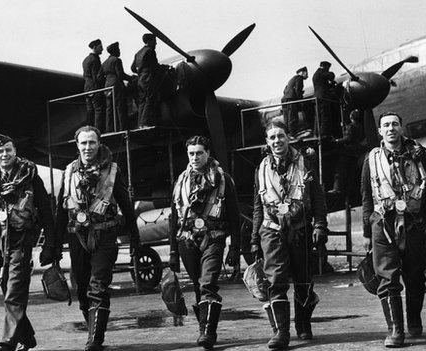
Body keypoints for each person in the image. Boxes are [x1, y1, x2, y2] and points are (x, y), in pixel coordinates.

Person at [55, 126, 140, 351]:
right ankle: (93, 329)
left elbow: (126, 205)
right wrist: (53, 245)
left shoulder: (112, 170)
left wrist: (135, 238)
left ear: (99, 144)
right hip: (77, 236)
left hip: (105, 234)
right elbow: (61, 210)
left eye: (92, 142)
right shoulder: (69, 171)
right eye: (83, 143)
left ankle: (95, 340)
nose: (87, 147)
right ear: (77, 146)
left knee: (98, 286)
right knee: (82, 288)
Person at [0, 133, 58, 351]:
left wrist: (50, 245)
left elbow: (47, 213)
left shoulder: (30, 178)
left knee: (14, 292)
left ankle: (8, 342)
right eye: (0, 151)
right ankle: (27, 338)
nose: (5, 154)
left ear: (15, 152)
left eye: (8, 150)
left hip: (20, 243)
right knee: (12, 292)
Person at [250, 121, 328, 349]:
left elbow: (317, 196)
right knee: (275, 281)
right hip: (272, 230)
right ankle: (281, 333)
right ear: (267, 142)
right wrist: (255, 238)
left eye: (280, 136)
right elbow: (257, 206)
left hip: (300, 228)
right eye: (272, 137)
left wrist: (320, 225)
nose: (277, 141)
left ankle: (303, 324)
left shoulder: (306, 163)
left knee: (303, 280)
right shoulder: (261, 168)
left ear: (288, 138)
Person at [361, 112, 426, 347]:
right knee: (387, 278)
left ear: (401, 128)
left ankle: (414, 323)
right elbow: (366, 198)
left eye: (395, 124)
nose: (390, 128)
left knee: (415, 277)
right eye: (386, 125)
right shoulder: (371, 159)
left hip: (413, 223)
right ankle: (395, 331)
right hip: (383, 223)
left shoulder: (418, 155)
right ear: (380, 131)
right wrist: (367, 232)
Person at [168, 135, 241, 349]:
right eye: (191, 153)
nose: (195, 157)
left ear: (208, 153)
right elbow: (174, 217)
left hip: (214, 238)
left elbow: (235, 216)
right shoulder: (181, 180)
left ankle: (209, 333)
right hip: (187, 240)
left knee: (207, 283)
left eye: (199, 153)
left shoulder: (222, 178)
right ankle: (203, 329)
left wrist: (235, 248)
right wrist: (173, 252)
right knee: (199, 286)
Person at [328, 109, 366, 195]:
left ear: (351, 117)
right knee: (351, 172)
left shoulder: (350, 127)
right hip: (356, 152)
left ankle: (337, 188)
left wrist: (336, 140)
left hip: (348, 152)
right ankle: (350, 190)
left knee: (339, 169)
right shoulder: (359, 126)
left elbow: (347, 139)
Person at [102, 42, 132, 132]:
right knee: (120, 107)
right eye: (118, 50)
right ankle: (123, 128)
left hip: (107, 87)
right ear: (115, 51)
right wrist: (131, 78)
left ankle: (109, 129)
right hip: (116, 86)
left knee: (110, 109)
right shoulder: (117, 60)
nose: (119, 51)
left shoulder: (104, 63)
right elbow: (120, 75)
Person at [131, 33, 159, 128]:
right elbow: (155, 66)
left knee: (142, 101)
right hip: (148, 79)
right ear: (150, 41)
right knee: (149, 99)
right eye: (155, 41)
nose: (156, 43)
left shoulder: (138, 53)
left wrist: (140, 71)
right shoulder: (150, 51)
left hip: (140, 79)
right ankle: (145, 123)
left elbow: (133, 68)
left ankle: (140, 124)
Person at [83, 39, 105, 131]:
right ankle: (97, 131)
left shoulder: (86, 60)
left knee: (90, 111)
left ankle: (89, 131)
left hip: (87, 89)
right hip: (95, 88)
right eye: (100, 47)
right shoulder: (95, 59)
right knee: (98, 110)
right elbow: (97, 77)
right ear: (95, 47)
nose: (102, 49)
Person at [312, 61, 338, 138]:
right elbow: (331, 76)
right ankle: (323, 134)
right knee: (324, 116)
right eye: (328, 68)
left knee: (318, 117)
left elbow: (323, 85)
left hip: (318, 97)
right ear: (325, 67)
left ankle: (317, 134)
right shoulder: (321, 72)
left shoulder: (317, 74)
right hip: (322, 98)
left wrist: (331, 84)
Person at [281, 67, 308, 137]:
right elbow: (298, 90)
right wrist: (301, 101)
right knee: (293, 117)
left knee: (287, 118)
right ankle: (293, 134)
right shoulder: (299, 78)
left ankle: (287, 134)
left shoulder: (292, 79)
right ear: (303, 72)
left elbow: (285, 90)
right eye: (306, 73)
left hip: (284, 99)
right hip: (291, 99)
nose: (307, 75)